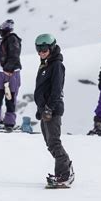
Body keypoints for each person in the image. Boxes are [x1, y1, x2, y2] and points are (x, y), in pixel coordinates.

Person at [34, 33, 74, 187]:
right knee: (50, 144)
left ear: (51, 47)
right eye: (38, 49)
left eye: (44, 48)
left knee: (54, 142)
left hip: (52, 111)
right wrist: (41, 108)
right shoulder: (45, 63)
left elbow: (56, 89)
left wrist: (49, 108)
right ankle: (66, 170)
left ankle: (64, 175)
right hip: (44, 110)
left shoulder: (56, 65)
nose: (41, 52)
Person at [0, 19, 22, 131]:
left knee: (10, 98)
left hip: (11, 73)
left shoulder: (12, 39)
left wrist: (9, 68)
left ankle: (9, 121)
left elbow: (14, 54)